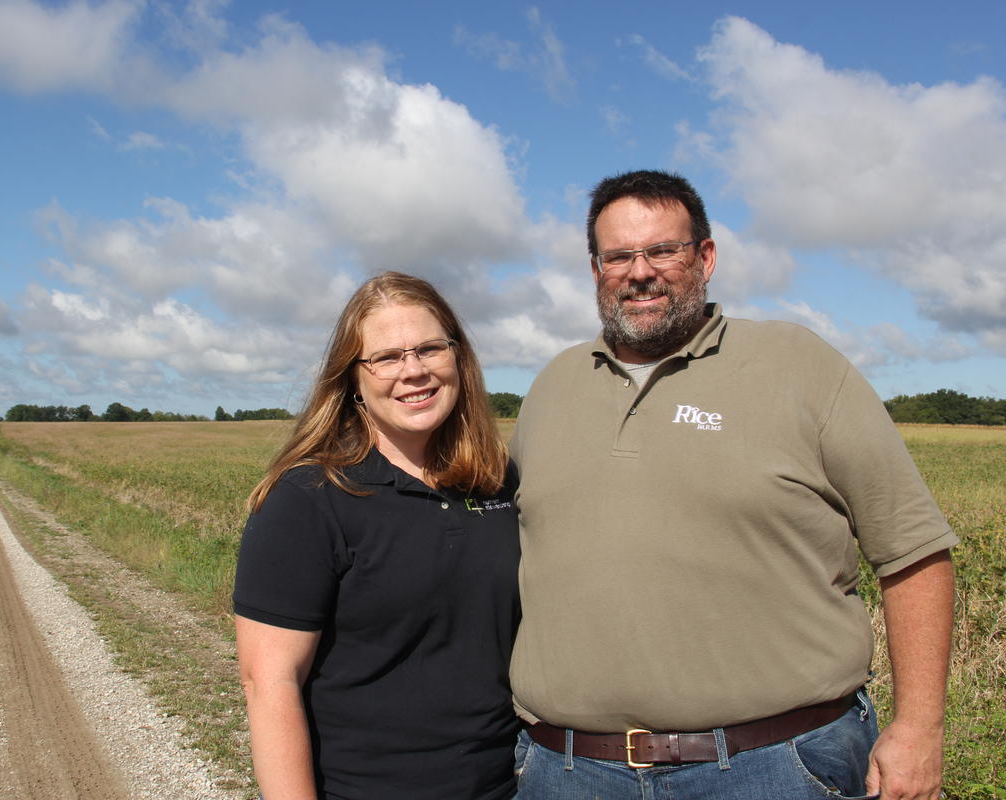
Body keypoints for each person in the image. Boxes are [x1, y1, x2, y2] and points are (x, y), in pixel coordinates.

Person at [509, 169, 957, 800]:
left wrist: (919, 728)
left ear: (707, 257)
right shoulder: (551, 387)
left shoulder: (800, 366)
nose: (640, 271)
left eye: (663, 250)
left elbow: (913, 551)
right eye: (619, 256)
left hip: (773, 766)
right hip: (566, 773)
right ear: (595, 270)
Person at [233, 271, 520, 799]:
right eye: (386, 357)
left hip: (507, 785)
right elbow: (269, 683)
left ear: (458, 357)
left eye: (430, 348)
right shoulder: (309, 498)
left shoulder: (499, 480)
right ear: (352, 379)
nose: (414, 371)